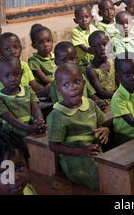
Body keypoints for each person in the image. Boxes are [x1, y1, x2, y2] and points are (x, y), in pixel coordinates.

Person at [47, 63, 109, 191]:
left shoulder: (90, 103)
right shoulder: (58, 115)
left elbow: (101, 124)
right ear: (59, 90)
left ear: (84, 83)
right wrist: (81, 152)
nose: (73, 88)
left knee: (114, 172)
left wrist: (105, 130)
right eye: (66, 85)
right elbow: (53, 146)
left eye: (76, 82)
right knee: (103, 180)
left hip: (94, 152)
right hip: (75, 160)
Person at [0, 55, 47, 137]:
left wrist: (39, 123)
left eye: (16, 74)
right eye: (7, 76)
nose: (12, 79)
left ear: (21, 74)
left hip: (31, 129)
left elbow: (35, 109)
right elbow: (10, 119)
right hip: (11, 134)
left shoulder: (28, 90)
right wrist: (29, 128)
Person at [51, 42, 108, 112]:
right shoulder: (58, 83)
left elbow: (91, 94)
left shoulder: (81, 76)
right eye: (63, 60)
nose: (68, 63)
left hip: (86, 109)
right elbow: (64, 106)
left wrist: (97, 101)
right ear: (56, 62)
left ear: (77, 60)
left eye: (72, 59)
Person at [0, 33, 50, 98]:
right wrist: (41, 93)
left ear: (21, 48)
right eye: (7, 49)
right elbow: (14, 98)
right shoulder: (1, 74)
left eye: (16, 47)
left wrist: (47, 91)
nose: (13, 51)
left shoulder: (24, 65)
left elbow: (34, 85)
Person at [86, 31, 118, 107]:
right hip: (102, 103)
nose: (103, 48)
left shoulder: (112, 62)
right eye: (97, 46)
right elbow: (101, 93)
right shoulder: (91, 69)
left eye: (105, 44)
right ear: (91, 50)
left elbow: (119, 81)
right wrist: (120, 95)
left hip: (116, 97)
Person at [71, 5, 98, 71]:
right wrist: (96, 52)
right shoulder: (75, 32)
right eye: (80, 18)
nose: (84, 20)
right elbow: (83, 47)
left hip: (95, 60)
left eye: (86, 17)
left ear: (91, 18)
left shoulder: (95, 29)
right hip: (83, 63)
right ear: (75, 20)